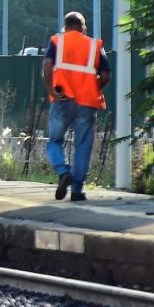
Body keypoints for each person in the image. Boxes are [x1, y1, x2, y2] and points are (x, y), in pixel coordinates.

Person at [43, 12, 111, 202]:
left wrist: (50, 89)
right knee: (83, 146)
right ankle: (77, 191)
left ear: (65, 26)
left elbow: (47, 64)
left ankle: (63, 171)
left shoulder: (58, 41)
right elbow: (105, 75)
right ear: (83, 27)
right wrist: (91, 88)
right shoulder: (95, 45)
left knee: (55, 140)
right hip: (87, 103)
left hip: (62, 99)